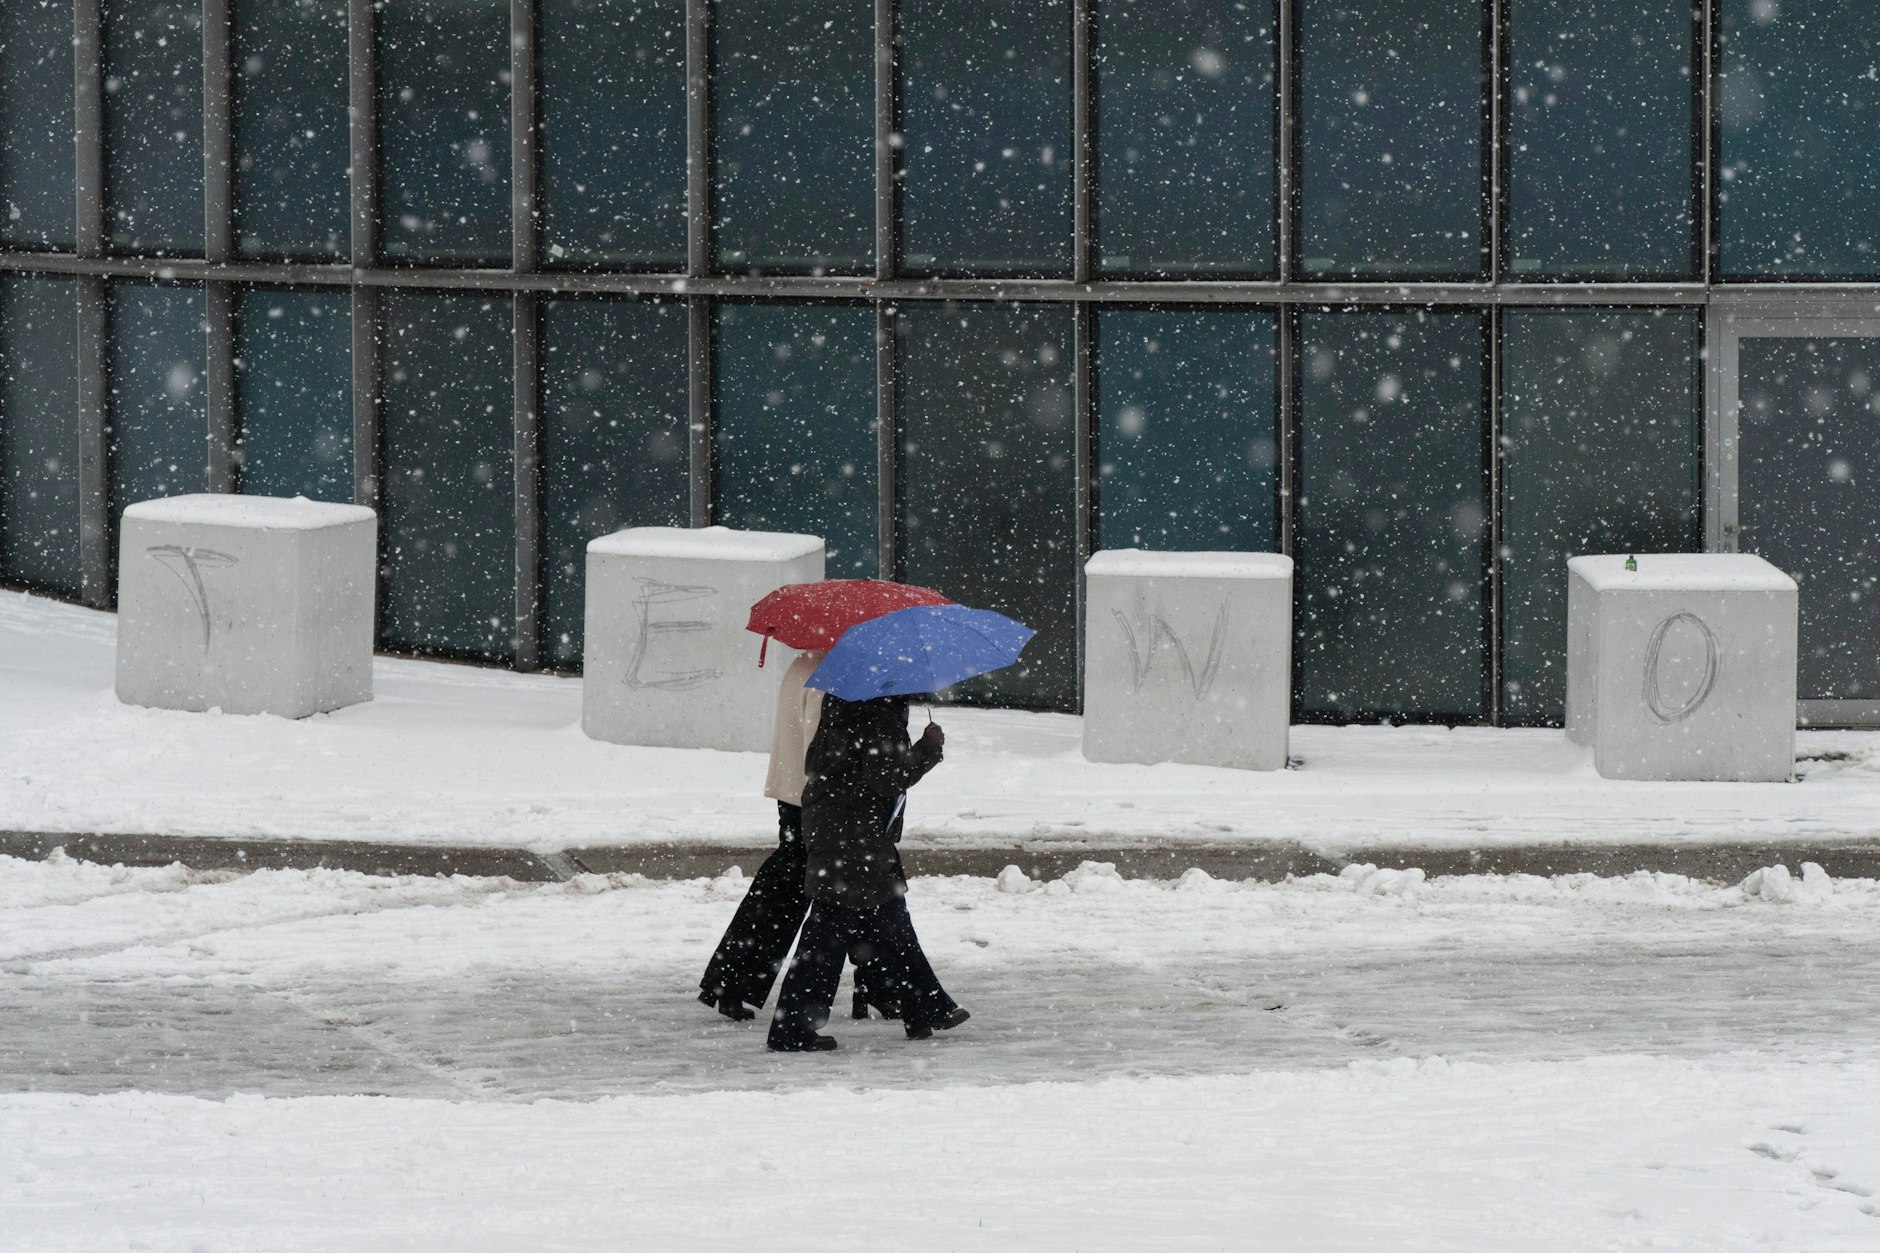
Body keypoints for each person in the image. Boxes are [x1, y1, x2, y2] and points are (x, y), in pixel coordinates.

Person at [697, 649, 902, 1022]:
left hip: (796, 795)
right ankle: (881, 986)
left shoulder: (807, 661)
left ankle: (732, 979)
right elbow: (825, 749)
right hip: (824, 804)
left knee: (792, 890)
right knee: (860, 888)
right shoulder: (841, 672)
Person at [767, 693, 969, 1052]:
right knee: (828, 936)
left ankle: (925, 1007)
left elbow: (815, 763)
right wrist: (928, 748)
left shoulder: (844, 702)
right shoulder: (877, 715)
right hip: (854, 839)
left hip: (840, 832)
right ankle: (792, 1028)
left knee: (890, 919)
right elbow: (888, 779)